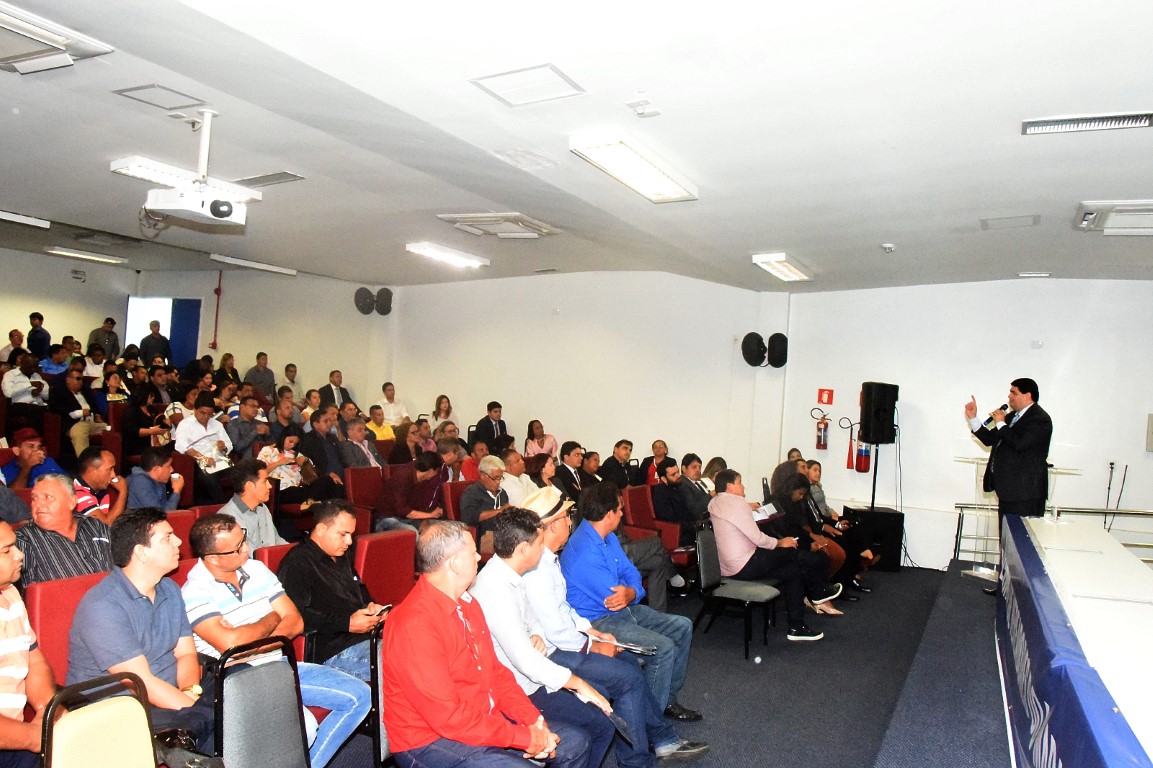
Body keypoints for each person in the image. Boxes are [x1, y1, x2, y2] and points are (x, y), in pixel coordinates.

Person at [520, 487, 710, 767]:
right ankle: (650, 745)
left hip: (586, 629)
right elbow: (557, 630)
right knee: (633, 668)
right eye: (565, 516)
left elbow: (621, 581)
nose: (570, 521)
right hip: (557, 649)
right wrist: (592, 642)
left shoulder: (550, 558)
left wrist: (620, 604)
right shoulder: (543, 565)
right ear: (553, 525)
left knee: (645, 655)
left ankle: (658, 733)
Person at [380, 519, 591, 768]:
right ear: (454, 563)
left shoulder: (468, 604)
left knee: (575, 744)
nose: (479, 556)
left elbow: (496, 674)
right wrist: (523, 738)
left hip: (477, 718)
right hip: (428, 741)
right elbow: (448, 719)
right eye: (472, 553)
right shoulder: (413, 624)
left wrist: (533, 721)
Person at [182, 513, 371, 768]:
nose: (247, 549)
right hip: (239, 679)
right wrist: (272, 617)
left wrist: (253, 634)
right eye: (237, 548)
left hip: (280, 663)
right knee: (305, 727)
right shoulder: (195, 591)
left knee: (360, 695)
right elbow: (231, 647)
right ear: (213, 558)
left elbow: (295, 621)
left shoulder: (256, 569)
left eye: (244, 539)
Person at [469, 508, 616, 768]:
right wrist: (577, 683)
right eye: (539, 542)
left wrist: (536, 632)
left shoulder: (508, 571)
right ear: (524, 549)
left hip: (529, 678)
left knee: (601, 702)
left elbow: (533, 618)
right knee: (601, 721)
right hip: (518, 688)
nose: (544, 548)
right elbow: (526, 662)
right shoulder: (495, 590)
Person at [67, 508, 216, 752]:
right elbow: (141, 683)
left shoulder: (169, 588)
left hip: (175, 697)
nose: (179, 541)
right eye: (167, 537)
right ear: (141, 552)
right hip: (123, 707)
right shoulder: (103, 605)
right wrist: (196, 708)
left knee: (241, 678)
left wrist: (191, 695)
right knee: (223, 720)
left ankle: (195, 725)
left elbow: (187, 654)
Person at [561, 481, 701, 722]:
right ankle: (651, 724)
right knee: (663, 648)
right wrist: (630, 592)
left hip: (623, 611)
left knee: (683, 627)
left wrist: (632, 592)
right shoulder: (585, 550)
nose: (623, 513)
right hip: (599, 621)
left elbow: (631, 573)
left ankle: (665, 701)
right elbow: (614, 597)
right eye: (620, 509)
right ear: (608, 515)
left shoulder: (607, 536)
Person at [709, 468, 841, 639]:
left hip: (730, 567)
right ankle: (817, 593)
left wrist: (749, 509)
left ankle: (797, 627)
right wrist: (780, 542)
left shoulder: (714, 503)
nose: (743, 486)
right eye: (739, 482)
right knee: (792, 551)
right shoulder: (737, 504)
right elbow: (758, 538)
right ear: (730, 487)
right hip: (747, 563)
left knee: (792, 571)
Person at [278, 501, 389, 681]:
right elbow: (296, 616)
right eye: (343, 534)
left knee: (418, 646)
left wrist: (371, 606)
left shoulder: (341, 555)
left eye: (351, 535)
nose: (349, 541)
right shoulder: (298, 563)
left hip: (361, 637)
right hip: (331, 648)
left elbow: (358, 587)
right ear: (321, 529)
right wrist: (346, 623)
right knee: (401, 661)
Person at [965, 377, 1053, 594]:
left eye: (1013, 392)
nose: (1009, 397)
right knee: (1007, 540)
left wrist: (1003, 422)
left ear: (1027, 395)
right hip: (1008, 490)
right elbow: (991, 439)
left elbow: (1020, 443)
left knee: (1022, 544)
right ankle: (1005, 586)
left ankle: (1023, 592)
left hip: (1026, 492)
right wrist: (974, 419)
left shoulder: (1039, 419)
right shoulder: (1013, 417)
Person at [0, 519, 57, 768]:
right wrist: (35, 737)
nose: (20, 554)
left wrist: (47, 711)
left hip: (17, 737)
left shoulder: (10, 593)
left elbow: (33, 658)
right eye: (6, 550)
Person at [16, 473, 113, 586]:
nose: (38, 504)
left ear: (71, 502)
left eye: (48, 497)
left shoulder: (95, 526)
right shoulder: (24, 539)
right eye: (34, 498)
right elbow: (29, 594)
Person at [220, 459, 287, 552]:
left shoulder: (262, 508)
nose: (270, 486)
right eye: (265, 481)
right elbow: (247, 556)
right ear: (249, 485)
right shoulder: (228, 518)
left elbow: (276, 540)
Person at [48, 368, 109, 458]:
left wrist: (97, 415)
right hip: (73, 424)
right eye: (78, 379)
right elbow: (58, 409)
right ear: (68, 380)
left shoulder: (86, 392)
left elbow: (95, 408)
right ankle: (85, 464)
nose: (81, 382)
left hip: (92, 423)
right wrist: (80, 413)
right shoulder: (59, 392)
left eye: (82, 379)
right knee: (81, 429)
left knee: (110, 429)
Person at [72, 447, 128, 524]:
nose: (113, 475)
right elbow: (105, 526)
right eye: (109, 469)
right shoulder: (77, 494)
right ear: (91, 470)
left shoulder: (104, 487)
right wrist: (123, 491)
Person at [0, 429, 65, 490]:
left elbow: (65, 485)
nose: (36, 450)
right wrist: (27, 467)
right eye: (30, 446)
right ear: (16, 451)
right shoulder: (7, 468)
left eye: (39, 446)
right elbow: (12, 496)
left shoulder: (47, 461)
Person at [127, 446, 185, 512]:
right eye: (168, 466)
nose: (172, 470)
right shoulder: (140, 483)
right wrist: (176, 491)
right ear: (156, 470)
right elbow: (160, 516)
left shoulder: (159, 480)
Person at [651, 463, 696, 547]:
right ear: (664, 479)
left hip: (688, 528)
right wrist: (694, 525)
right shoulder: (661, 494)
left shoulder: (678, 486)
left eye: (678, 472)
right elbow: (671, 522)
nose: (678, 476)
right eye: (673, 474)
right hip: (678, 534)